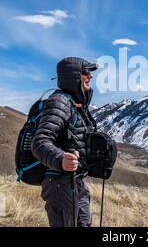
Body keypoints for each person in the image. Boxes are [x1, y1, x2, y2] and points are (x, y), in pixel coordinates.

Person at [32, 57, 98, 227]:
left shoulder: (76, 104)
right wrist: (61, 158)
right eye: (86, 72)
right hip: (59, 184)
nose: (90, 76)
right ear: (74, 76)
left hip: (75, 182)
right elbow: (40, 142)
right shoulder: (59, 102)